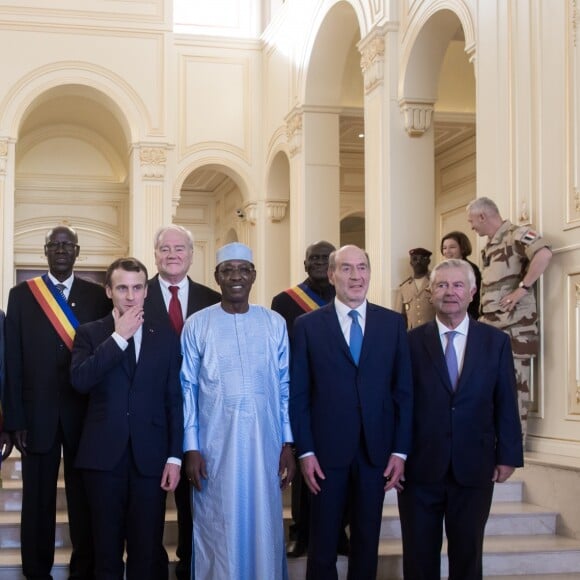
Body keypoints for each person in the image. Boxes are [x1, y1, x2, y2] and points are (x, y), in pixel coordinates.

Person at [290, 244, 413, 580]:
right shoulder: (307, 326)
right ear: (331, 275)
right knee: (323, 543)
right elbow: (298, 394)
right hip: (326, 454)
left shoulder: (392, 324)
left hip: (376, 452)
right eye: (346, 268)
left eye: (362, 267)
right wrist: (306, 451)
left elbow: (403, 393)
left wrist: (400, 451)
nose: (356, 276)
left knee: (366, 541)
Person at [398, 258, 523, 580]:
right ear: (430, 293)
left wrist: (508, 454)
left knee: (468, 554)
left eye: (457, 285)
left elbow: (506, 399)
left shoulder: (495, 342)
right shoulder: (409, 343)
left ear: (472, 292)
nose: (449, 292)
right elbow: (398, 403)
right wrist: (396, 455)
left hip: (474, 466)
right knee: (418, 555)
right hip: (420, 468)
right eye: (441, 285)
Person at [181, 242, 296, 580]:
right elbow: (187, 388)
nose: (236, 277)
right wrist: (191, 447)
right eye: (228, 270)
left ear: (253, 276)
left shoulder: (274, 323)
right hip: (215, 447)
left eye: (243, 270)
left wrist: (287, 444)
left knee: (264, 521)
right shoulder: (197, 324)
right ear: (216, 276)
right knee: (218, 524)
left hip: (266, 444)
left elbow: (284, 386)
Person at [3, 225, 111, 580]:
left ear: (77, 252)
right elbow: (13, 361)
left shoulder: (97, 296)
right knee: (37, 500)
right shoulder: (21, 295)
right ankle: (36, 571)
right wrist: (14, 419)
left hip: (84, 414)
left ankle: (84, 568)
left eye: (68, 245)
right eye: (55, 245)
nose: (61, 250)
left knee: (83, 499)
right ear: (45, 251)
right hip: (36, 416)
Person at [71, 257, 183, 580]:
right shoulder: (90, 334)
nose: (131, 296)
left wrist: (175, 455)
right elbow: (80, 380)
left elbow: (174, 399)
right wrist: (118, 338)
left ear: (146, 291)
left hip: (150, 460)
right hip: (102, 461)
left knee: (145, 555)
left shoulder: (164, 335)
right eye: (122, 288)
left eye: (137, 288)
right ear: (109, 291)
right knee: (105, 556)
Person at [144, 224, 220, 580]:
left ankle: (190, 567)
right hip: (150, 416)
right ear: (155, 254)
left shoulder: (212, 299)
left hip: (200, 416)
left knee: (194, 500)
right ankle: (155, 568)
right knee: (150, 503)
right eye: (165, 249)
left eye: (180, 249)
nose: (172, 255)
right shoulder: (136, 294)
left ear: (191, 255)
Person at [271, 240, 349, 559]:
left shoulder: (346, 297)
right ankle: (301, 533)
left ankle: (340, 532)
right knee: (305, 470)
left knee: (343, 468)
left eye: (325, 259)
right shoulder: (285, 302)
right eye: (313, 258)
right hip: (301, 396)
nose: (318, 263)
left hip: (341, 399)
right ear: (304, 264)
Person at [467, 197, 552, 439]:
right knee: (491, 389)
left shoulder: (517, 234)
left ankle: (513, 449)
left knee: (515, 390)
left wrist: (522, 289)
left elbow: (544, 254)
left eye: (472, 221)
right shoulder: (490, 245)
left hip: (515, 330)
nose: (471, 226)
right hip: (492, 329)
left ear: (483, 216)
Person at [441, 230, 482, 319]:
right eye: (444, 248)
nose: (447, 251)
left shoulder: (470, 268)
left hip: (467, 317)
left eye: (452, 247)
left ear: (462, 248)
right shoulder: (444, 269)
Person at [394, 247, 436, 329]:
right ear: (411, 262)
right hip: (412, 335)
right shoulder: (404, 287)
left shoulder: (437, 283)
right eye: (415, 259)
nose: (418, 262)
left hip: (432, 333)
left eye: (422, 258)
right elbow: (399, 316)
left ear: (428, 261)